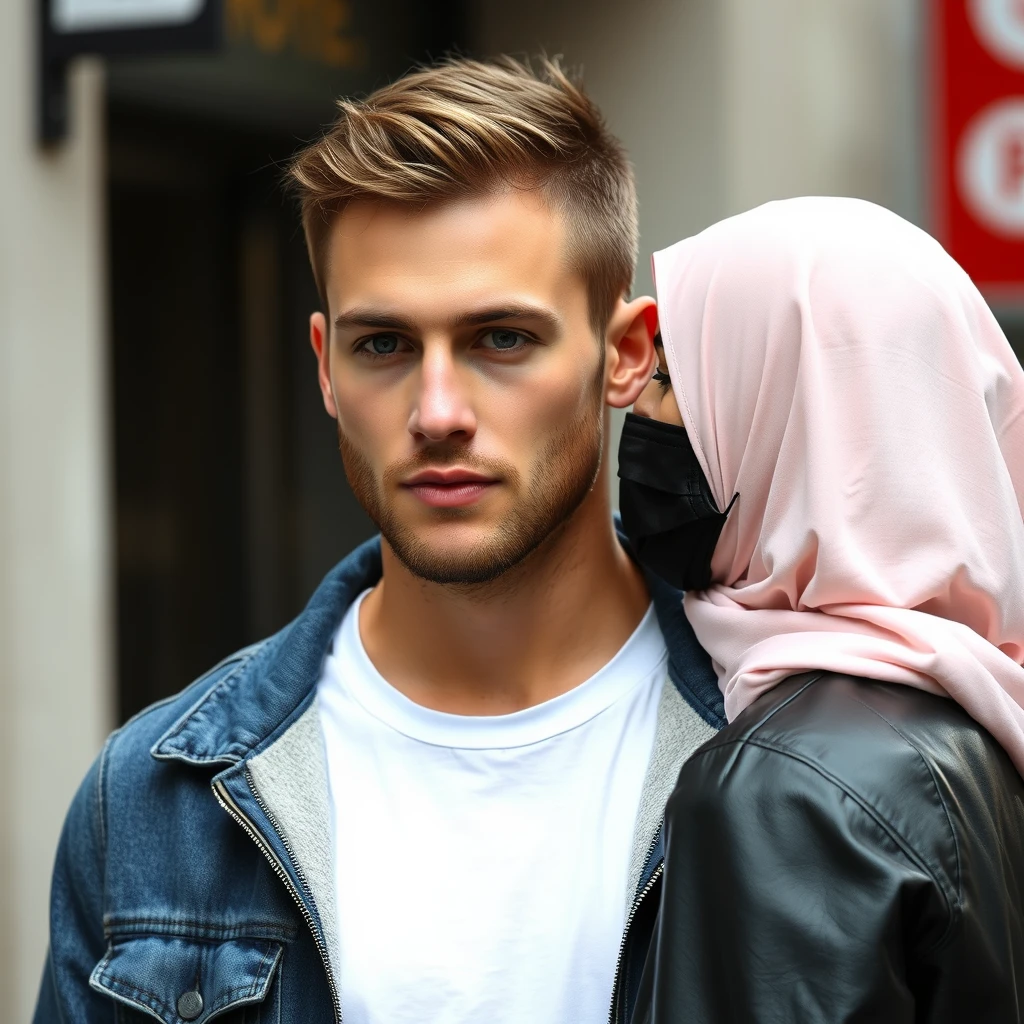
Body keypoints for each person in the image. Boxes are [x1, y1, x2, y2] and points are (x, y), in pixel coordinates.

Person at [34, 58, 726, 1024]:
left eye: (502, 339)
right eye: (384, 346)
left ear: (625, 354)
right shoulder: (154, 804)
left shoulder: (780, 750)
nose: (437, 412)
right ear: (325, 368)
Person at [617, 196, 1024, 1023]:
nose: (637, 412)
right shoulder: (987, 717)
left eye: (670, 379)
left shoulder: (781, 793)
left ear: (782, 420)